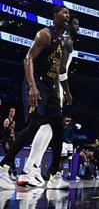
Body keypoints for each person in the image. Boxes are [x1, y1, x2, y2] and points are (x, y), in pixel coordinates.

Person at [0, 6, 70, 189]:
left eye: (68, 13)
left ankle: (54, 175)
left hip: (50, 87)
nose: (67, 15)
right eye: (64, 12)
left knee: (58, 128)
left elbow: (57, 70)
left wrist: (60, 93)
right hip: (36, 83)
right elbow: (28, 59)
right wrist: (32, 86)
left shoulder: (62, 41)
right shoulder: (44, 35)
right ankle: (3, 167)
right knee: (34, 124)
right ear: (55, 16)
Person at [16, 17, 79, 188]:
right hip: (53, 86)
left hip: (51, 84)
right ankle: (29, 169)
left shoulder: (63, 39)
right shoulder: (67, 41)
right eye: (75, 23)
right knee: (45, 127)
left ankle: (34, 168)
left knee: (48, 129)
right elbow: (62, 70)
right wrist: (66, 91)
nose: (77, 27)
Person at [2, 107, 16, 178]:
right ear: (9, 112)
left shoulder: (13, 121)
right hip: (7, 141)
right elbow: (4, 133)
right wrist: (6, 142)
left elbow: (12, 132)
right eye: (11, 111)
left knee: (12, 157)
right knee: (8, 157)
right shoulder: (7, 120)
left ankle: (13, 172)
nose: (12, 113)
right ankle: (9, 173)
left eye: (13, 111)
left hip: (12, 141)